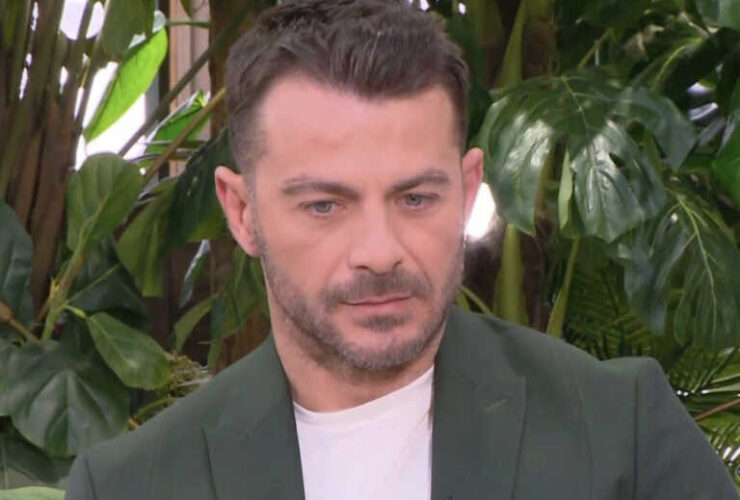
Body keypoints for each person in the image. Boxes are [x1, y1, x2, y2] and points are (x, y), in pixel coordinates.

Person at [65, 1, 738, 499]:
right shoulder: (132, 485)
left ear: (467, 191)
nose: (379, 252)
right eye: (324, 205)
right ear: (242, 213)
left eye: (415, 198)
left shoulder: (621, 433)